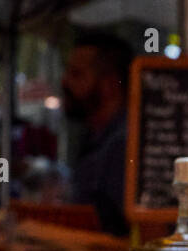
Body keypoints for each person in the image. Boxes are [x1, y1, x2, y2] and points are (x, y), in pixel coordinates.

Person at [62, 30, 133, 235]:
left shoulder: (123, 145)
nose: (64, 82)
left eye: (76, 74)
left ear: (110, 85)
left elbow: (130, 239)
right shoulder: (94, 138)